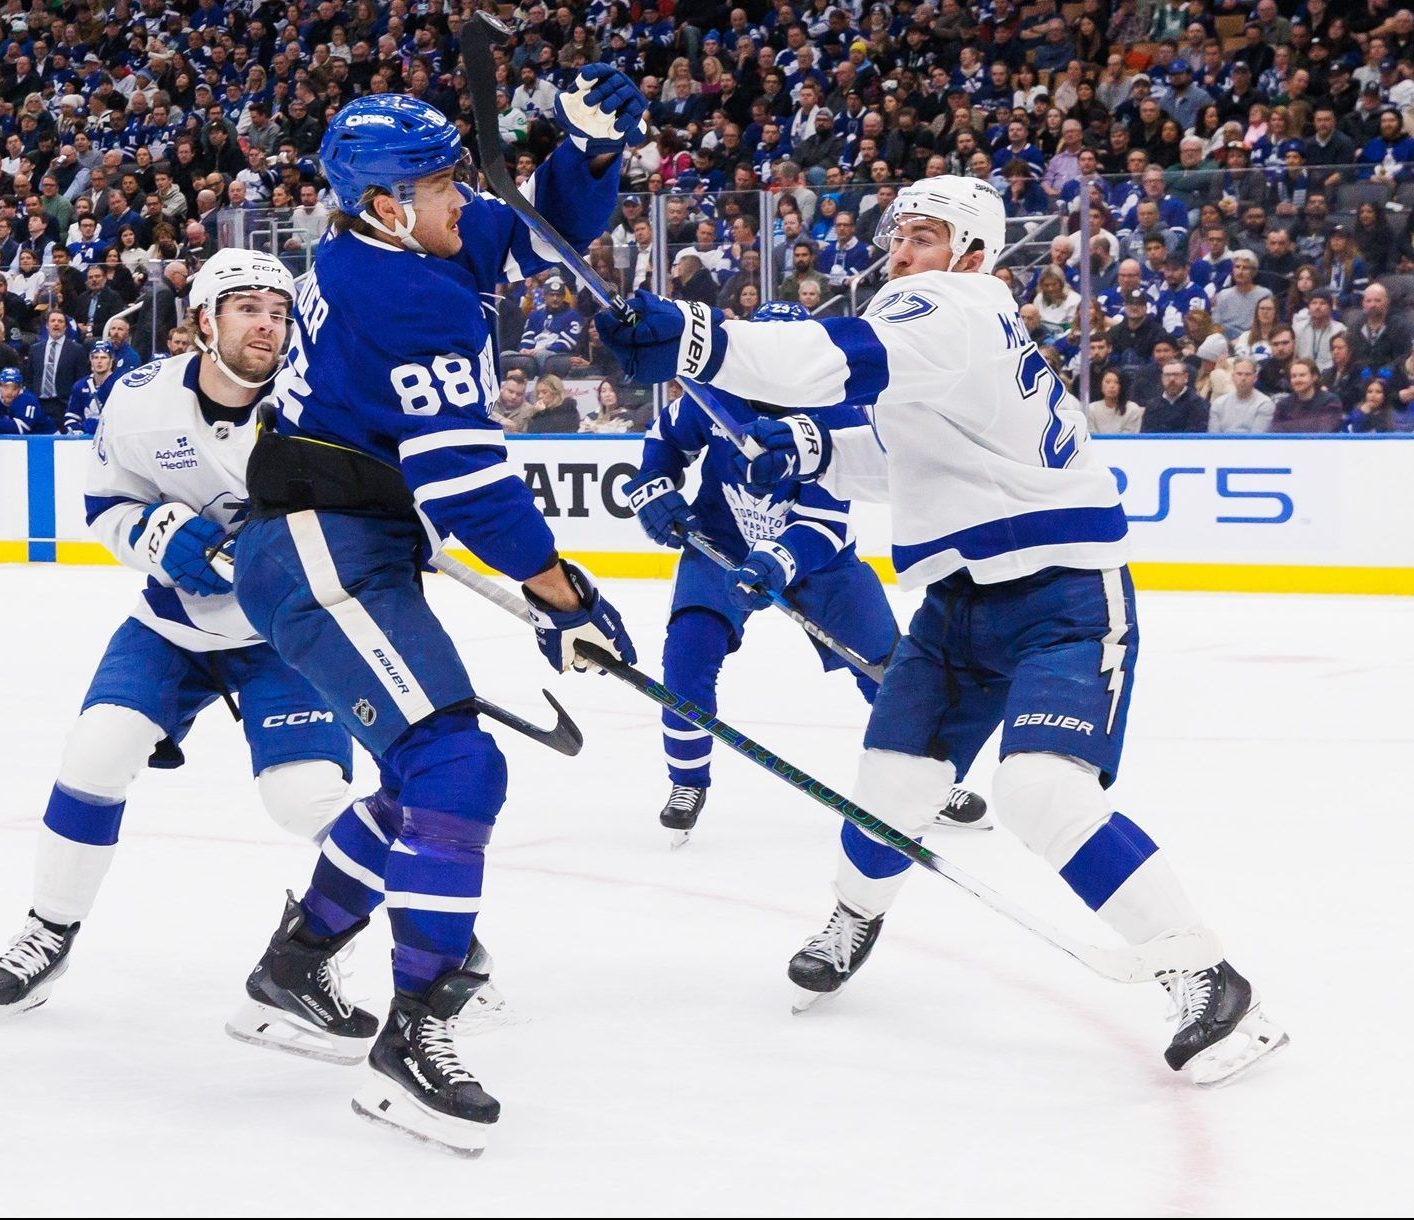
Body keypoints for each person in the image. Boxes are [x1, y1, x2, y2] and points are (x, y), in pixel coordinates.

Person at [597, 175, 1286, 1086]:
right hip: (957, 612)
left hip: (1063, 601)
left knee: (1041, 793)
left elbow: (823, 356)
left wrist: (696, 338)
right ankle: (854, 917)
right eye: (897, 237)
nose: (900, 251)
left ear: (970, 252)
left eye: (921, 235)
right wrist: (803, 451)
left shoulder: (950, 306)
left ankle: (1204, 974)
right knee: (884, 792)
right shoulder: (958, 339)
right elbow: (901, 455)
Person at [232, 88, 640, 1156]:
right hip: (320, 547)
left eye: (457, 177)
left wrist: (584, 154)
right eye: (440, 184)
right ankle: (414, 1036)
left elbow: (538, 227)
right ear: (380, 202)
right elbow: (466, 489)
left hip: (342, 540)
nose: (462, 199)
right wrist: (564, 596)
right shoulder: (405, 294)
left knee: (421, 778)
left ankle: (293, 965)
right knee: (460, 769)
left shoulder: (403, 242)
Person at [0, 251, 361, 1065]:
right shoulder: (142, 399)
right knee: (96, 751)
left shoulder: (320, 405)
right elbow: (106, 503)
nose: (267, 324)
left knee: (309, 801)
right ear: (202, 323)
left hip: (282, 638)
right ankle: (50, 928)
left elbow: (365, 526)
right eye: (247, 307)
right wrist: (153, 536)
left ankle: (423, 943)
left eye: (278, 310)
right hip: (174, 628)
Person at [621, 297, 988, 852]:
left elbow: (824, 523)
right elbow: (665, 438)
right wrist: (654, 486)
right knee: (686, 654)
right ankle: (687, 781)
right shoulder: (714, 393)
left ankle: (933, 779)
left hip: (820, 565)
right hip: (720, 542)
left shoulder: (836, 413)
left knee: (891, 671)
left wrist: (774, 560)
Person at [65, 341, 123, 436]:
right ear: (90, 359)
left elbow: (122, 417)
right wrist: (77, 429)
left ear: (111, 359)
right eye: (95, 357)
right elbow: (72, 415)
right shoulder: (80, 386)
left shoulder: (119, 384)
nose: (99, 361)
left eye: (103, 357)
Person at [1272, 358, 1345, 432]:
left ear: (1314, 377)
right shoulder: (1283, 405)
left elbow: (1326, 430)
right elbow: (1276, 433)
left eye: (1302, 375)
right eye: (1294, 376)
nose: (1297, 380)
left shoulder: (1330, 401)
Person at [1210, 357, 1277, 432]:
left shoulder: (1265, 404)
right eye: (1239, 374)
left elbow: (1258, 439)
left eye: (1247, 374)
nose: (1243, 378)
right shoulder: (1218, 404)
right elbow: (1213, 437)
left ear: (1255, 378)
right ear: (1232, 376)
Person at [1087, 368, 1143, 433]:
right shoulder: (1091, 409)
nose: (1112, 386)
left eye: (1116, 382)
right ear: (1101, 386)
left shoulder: (1132, 409)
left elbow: (1129, 438)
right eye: (1107, 382)